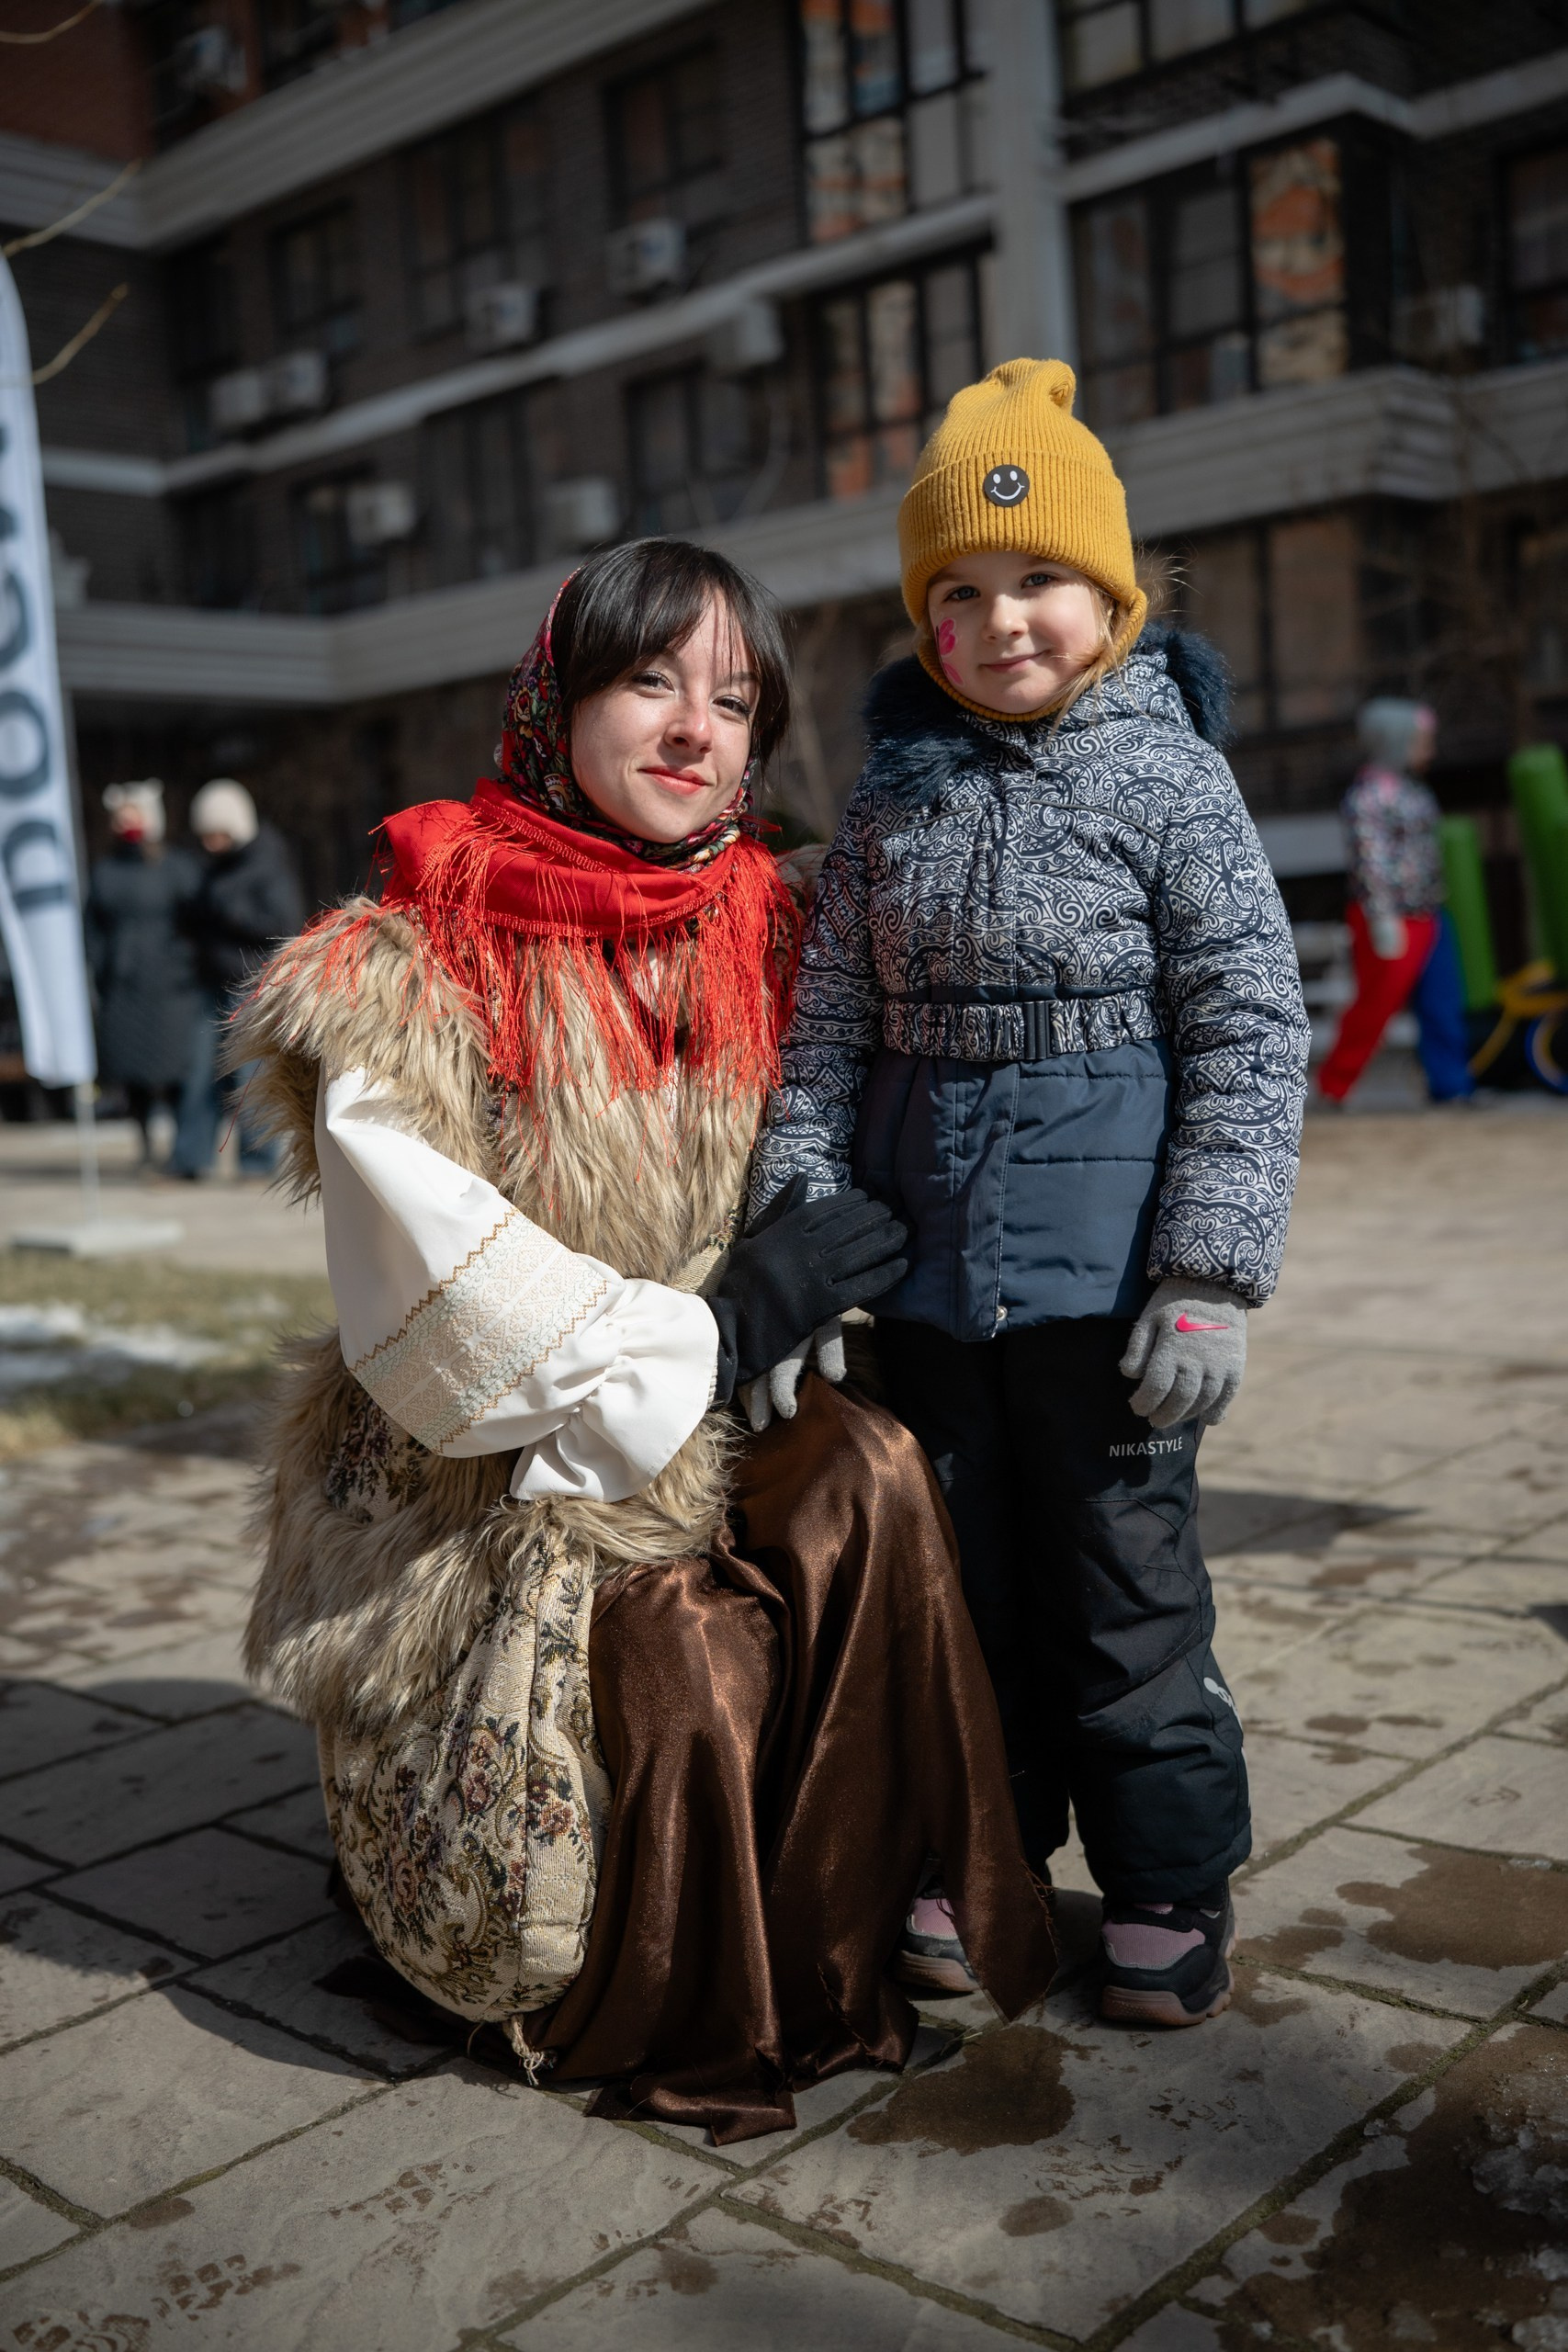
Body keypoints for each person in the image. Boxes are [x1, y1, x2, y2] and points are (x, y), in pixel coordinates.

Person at [231, 538, 1055, 2143]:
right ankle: (655, 1985)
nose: (695, 730)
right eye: (650, 681)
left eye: (734, 702)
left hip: (737, 1402)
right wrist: (721, 1320)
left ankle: (871, 1915)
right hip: (492, 1475)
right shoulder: (410, 957)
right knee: (684, 1649)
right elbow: (438, 1288)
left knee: (874, 1475)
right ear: (559, 701)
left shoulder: (785, 922)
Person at [750, 359, 1311, 2030]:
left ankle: (1164, 1878)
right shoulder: (890, 798)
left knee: (1120, 1585)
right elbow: (825, 1032)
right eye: (961, 591)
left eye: (1040, 580)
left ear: (1113, 596)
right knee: (963, 1588)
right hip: (926, 1282)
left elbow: (1248, 1024)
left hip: (1110, 1287)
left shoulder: (1170, 779)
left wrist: (1208, 1272)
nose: (1001, 622)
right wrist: (798, 1234)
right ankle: (984, 1853)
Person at [1316, 698, 1475, 1106]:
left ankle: (1451, 1086)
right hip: (1388, 917)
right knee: (1375, 1005)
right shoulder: (1369, 795)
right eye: (1420, 741)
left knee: (1443, 1002)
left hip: (1429, 912)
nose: (1428, 750)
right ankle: (1334, 1086)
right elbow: (1371, 858)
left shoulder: (1413, 790)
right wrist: (1381, 914)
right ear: (1395, 740)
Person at [170, 778, 305, 1179]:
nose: (208, 843)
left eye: (216, 833)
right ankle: (190, 1160)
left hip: (251, 986)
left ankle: (257, 1162)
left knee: (251, 1076)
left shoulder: (269, 863)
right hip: (211, 984)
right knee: (200, 1071)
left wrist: (224, 911)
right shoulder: (212, 868)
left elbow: (283, 925)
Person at [84, 781, 201, 1167]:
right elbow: (93, 928)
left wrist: (187, 962)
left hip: (172, 986)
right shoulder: (105, 871)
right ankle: (146, 1140)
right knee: (131, 1071)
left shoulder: (178, 867)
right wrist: (101, 969)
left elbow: (198, 920)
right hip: (124, 985)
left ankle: (184, 1147)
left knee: (178, 1068)